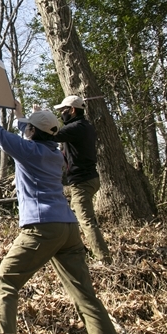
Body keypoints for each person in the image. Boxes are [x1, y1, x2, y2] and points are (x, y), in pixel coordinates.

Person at [0, 91, 119, 334]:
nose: (25, 129)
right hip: (69, 228)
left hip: (43, 227)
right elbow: (30, 135)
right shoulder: (55, 154)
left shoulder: (29, 151)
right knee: (85, 295)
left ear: (32, 132)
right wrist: (21, 115)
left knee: (4, 281)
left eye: (28, 126)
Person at [53, 95, 112, 264]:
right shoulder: (85, 126)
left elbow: (51, 135)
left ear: (72, 110)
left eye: (63, 110)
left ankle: (104, 258)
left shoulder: (75, 127)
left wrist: (40, 118)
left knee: (86, 220)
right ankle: (80, 250)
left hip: (82, 181)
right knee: (73, 216)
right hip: (90, 179)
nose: (61, 114)